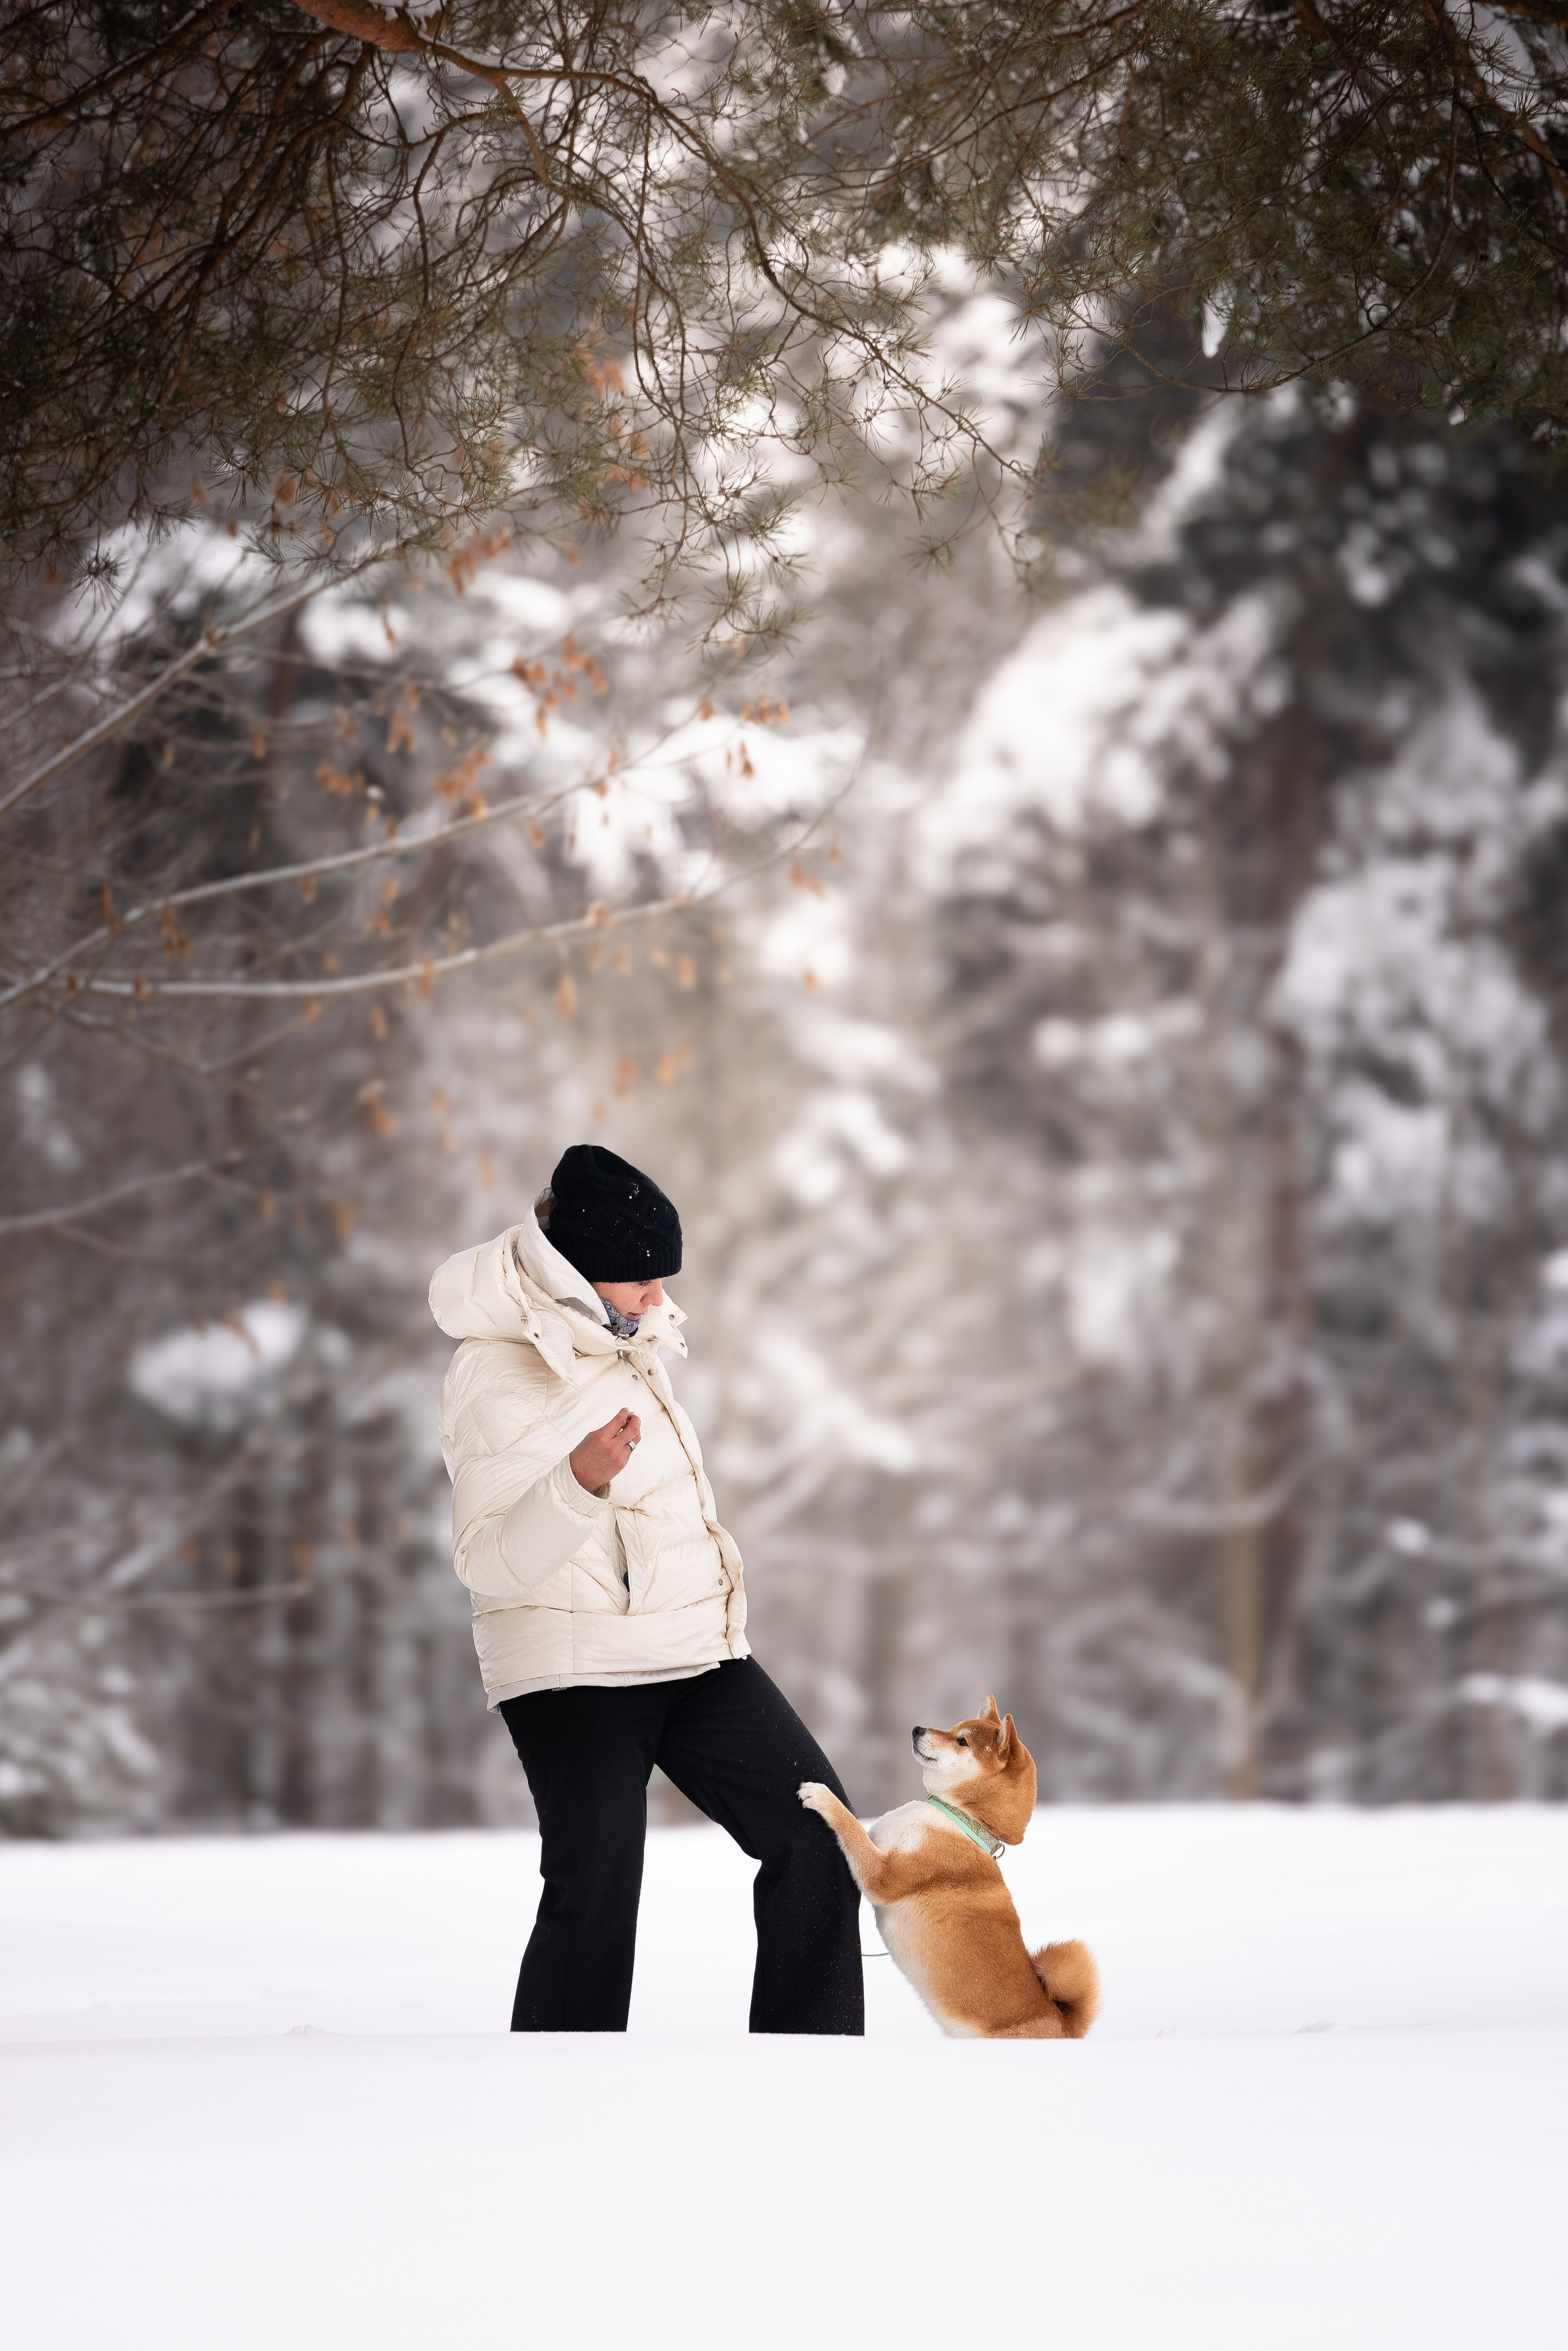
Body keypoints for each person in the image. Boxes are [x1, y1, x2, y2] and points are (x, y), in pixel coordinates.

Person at [428, 1143, 864, 2034]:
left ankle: (809, 2073)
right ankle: (559, 2101)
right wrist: (576, 1484)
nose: (661, 1300)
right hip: (570, 1670)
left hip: (692, 1653)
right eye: (645, 1282)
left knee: (818, 1835)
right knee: (595, 1888)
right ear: (586, 1272)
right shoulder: (496, 1370)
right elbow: (487, 1560)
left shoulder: (621, 1337)